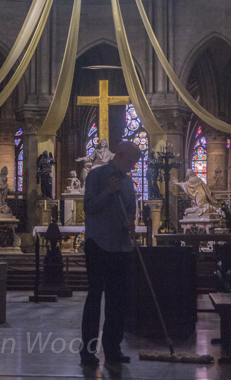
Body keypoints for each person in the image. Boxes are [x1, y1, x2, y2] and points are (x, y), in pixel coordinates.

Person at [79, 140, 141, 367]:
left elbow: (131, 209)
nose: (134, 166)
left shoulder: (128, 183)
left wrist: (130, 223)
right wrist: (108, 191)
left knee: (118, 300)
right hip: (99, 245)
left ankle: (113, 348)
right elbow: (89, 206)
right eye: (132, 161)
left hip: (121, 246)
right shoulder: (97, 176)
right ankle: (87, 352)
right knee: (95, 298)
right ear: (121, 155)